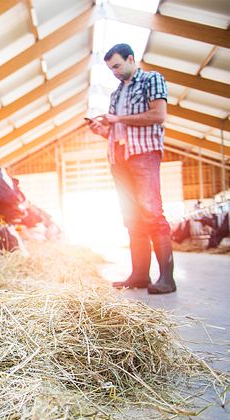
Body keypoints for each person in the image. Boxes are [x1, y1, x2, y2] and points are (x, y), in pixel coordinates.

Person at [87, 43, 176, 294]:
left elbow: (158, 115)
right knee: (132, 219)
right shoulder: (116, 94)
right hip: (119, 158)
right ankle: (139, 275)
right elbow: (116, 132)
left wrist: (119, 119)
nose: (114, 71)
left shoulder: (151, 79)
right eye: (110, 68)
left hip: (144, 154)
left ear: (130, 59)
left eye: (117, 65)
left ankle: (167, 278)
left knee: (152, 213)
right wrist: (102, 130)